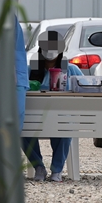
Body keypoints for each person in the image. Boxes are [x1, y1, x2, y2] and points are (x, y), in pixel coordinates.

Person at [21, 32, 82, 182]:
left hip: (62, 118)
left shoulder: (72, 70)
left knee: (65, 128)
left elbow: (85, 86)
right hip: (35, 119)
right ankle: (39, 167)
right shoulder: (29, 71)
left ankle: (57, 170)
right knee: (22, 128)